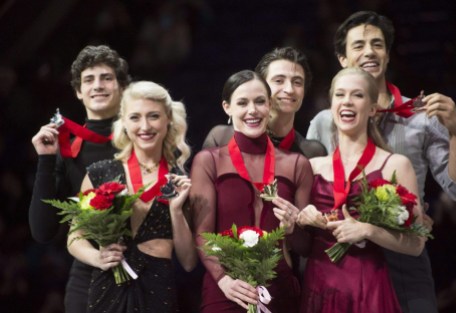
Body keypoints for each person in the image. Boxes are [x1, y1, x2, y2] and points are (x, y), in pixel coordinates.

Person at [306, 11, 456, 313]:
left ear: (387, 56)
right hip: (343, 260)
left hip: (404, 258)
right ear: (342, 59)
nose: (369, 51)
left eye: (377, 44)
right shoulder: (324, 121)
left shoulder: (420, 120)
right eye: (358, 45)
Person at [298, 67, 425, 313]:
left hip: (368, 289)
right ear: (331, 104)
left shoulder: (395, 165)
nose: (347, 101)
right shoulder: (311, 167)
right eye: (340, 95)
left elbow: (416, 243)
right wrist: (302, 219)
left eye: (357, 95)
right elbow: (296, 240)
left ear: (373, 108)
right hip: (319, 286)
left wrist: (368, 230)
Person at [67, 81, 197, 312]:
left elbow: (188, 262)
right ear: (124, 123)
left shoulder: (180, 181)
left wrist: (176, 210)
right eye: (135, 117)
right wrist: (98, 257)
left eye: (153, 116)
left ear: (168, 120)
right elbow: (74, 237)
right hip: (107, 288)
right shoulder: (100, 173)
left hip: (158, 291)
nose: (144, 126)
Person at [190, 70, 313, 312]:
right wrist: (224, 280)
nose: (252, 110)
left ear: (270, 105)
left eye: (259, 101)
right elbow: (202, 234)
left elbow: (305, 247)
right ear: (227, 107)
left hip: (279, 289)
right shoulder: (208, 161)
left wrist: (292, 229)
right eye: (242, 103)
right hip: (226, 288)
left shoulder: (297, 164)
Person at [29, 45, 130, 312]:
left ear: (122, 87)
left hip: (144, 276)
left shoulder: (143, 141)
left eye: (106, 78)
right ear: (78, 91)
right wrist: (46, 160)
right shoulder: (68, 150)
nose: (97, 85)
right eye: (89, 80)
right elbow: (43, 231)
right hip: (87, 281)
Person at [202, 47, 326, 159]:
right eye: (279, 80)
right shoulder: (221, 138)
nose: (289, 89)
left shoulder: (312, 153)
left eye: (297, 82)